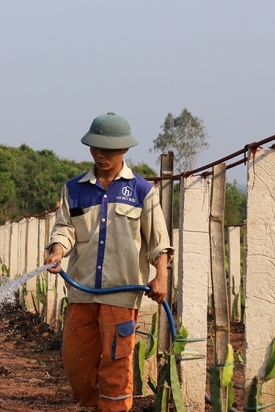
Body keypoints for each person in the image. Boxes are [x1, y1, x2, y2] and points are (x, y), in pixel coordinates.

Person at [44, 112, 172, 412]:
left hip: (121, 294)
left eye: (109, 150)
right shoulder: (74, 189)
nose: (101, 155)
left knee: (116, 365)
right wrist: (57, 250)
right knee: (76, 363)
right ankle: (91, 406)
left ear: (124, 150)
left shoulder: (142, 191)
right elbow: (65, 229)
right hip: (82, 292)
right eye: (96, 148)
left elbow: (158, 241)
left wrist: (161, 275)